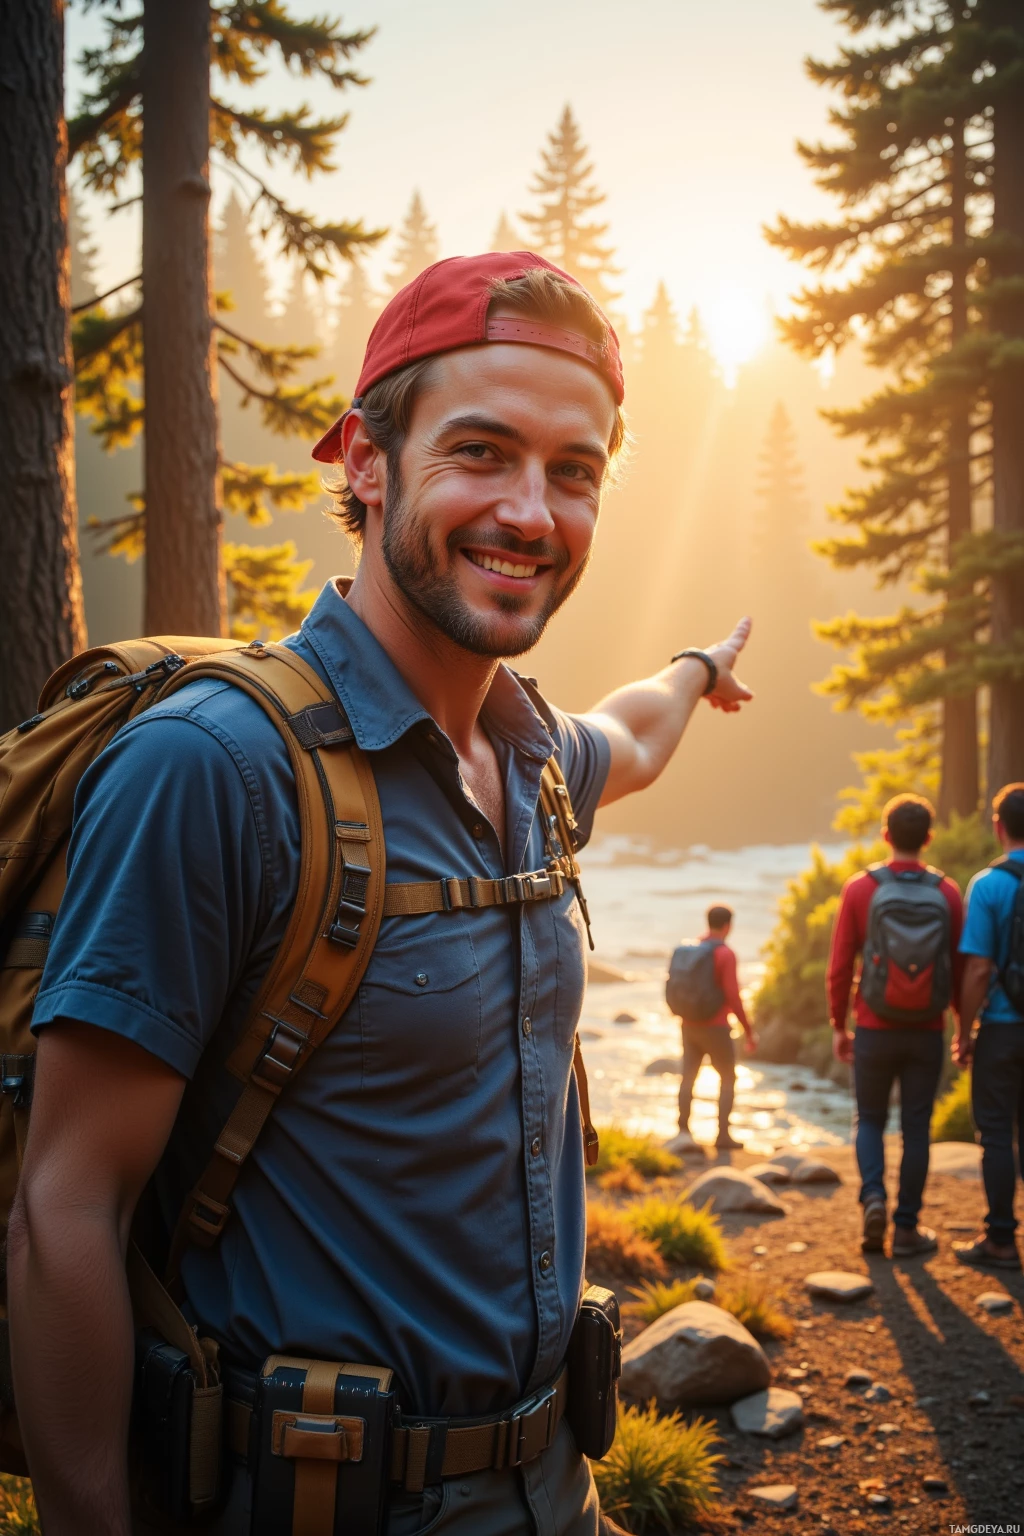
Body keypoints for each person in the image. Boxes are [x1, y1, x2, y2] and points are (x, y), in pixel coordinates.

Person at [9, 253, 754, 1536]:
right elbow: (64, 1203)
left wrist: (692, 667)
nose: (531, 511)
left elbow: (630, 734)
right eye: (481, 452)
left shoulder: (530, 756)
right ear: (364, 458)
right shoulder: (213, 771)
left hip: (553, 1494)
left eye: (572, 472)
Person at [829, 794, 963, 1257]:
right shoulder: (947, 892)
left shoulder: (861, 888)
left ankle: (873, 1199)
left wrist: (838, 1025)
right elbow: (961, 968)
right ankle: (906, 1230)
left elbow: (840, 965)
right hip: (927, 1029)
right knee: (917, 1128)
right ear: (928, 838)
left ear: (886, 835)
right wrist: (962, 1028)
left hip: (873, 1025)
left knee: (869, 1119)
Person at [951, 782, 1024, 1272]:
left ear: (998, 826)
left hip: (1001, 1027)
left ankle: (1001, 1240)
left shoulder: (989, 885)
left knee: (996, 1133)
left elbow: (977, 969)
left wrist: (964, 1029)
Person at [665, 904, 756, 1154]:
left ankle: (683, 1130)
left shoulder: (692, 949)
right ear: (728, 925)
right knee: (728, 1077)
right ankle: (722, 1134)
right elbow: (733, 996)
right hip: (715, 1027)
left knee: (688, 1077)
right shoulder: (725, 954)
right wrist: (748, 1030)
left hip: (688, 1024)